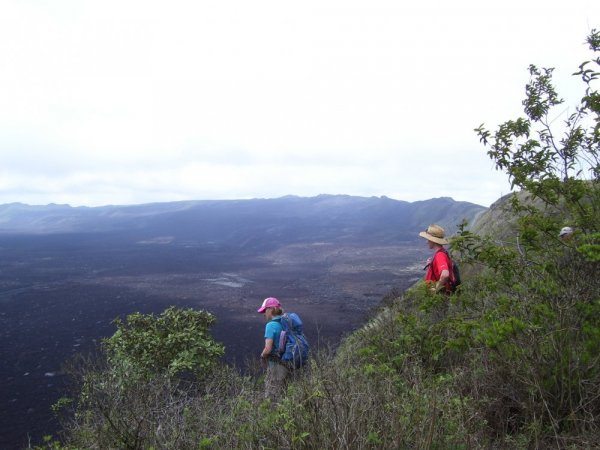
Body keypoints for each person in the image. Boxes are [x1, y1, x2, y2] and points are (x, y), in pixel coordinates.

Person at [258, 296, 289, 399]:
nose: (264, 314)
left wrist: (262, 356)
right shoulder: (286, 322)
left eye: (265, 310)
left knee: (273, 397)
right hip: (288, 364)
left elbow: (268, 349)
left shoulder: (270, 325)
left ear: (271, 309)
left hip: (276, 366)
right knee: (285, 394)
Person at [419, 224, 453, 294]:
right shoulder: (442, 252)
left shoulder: (439, 255)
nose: (427, 242)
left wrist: (436, 289)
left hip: (440, 296)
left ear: (433, 240)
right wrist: (430, 266)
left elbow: (445, 274)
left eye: (428, 239)